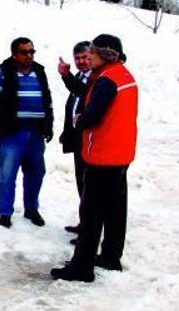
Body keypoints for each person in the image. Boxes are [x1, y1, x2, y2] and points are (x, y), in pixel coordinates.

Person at [51, 34, 138, 283]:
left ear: (106, 55)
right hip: (121, 154)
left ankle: (82, 267)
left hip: (104, 155)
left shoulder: (107, 81)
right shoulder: (120, 75)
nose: (89, 56)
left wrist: (79, 120)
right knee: (115, 210)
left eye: (94, 52)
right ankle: (111, 256)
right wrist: (67, 76)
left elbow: (93, 115)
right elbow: (86, 91)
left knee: (91, 214)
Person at [0, 37, 53, 228]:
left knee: (36, 172)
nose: (29, 56)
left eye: (32, 52)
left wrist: (49, 124)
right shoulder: (3, 72)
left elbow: (47, 99)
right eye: (24, 52)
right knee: (7, 174)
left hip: (36, 132)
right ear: (14, 54)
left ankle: (32, 209)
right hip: (12, 132)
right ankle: (5, 213)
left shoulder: (39, 71)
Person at [58, 41, 92, 243]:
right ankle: (85, 224)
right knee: (82, 184)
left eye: (85, 57)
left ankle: (89, 230)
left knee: (89, 187)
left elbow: (83, 93)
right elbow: (74, 104)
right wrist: (67, 131)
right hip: (77, 138)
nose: (81, 62)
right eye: (77, 58)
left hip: (89, 141)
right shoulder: (81, 76)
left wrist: (65, 75)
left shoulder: (95, 79)